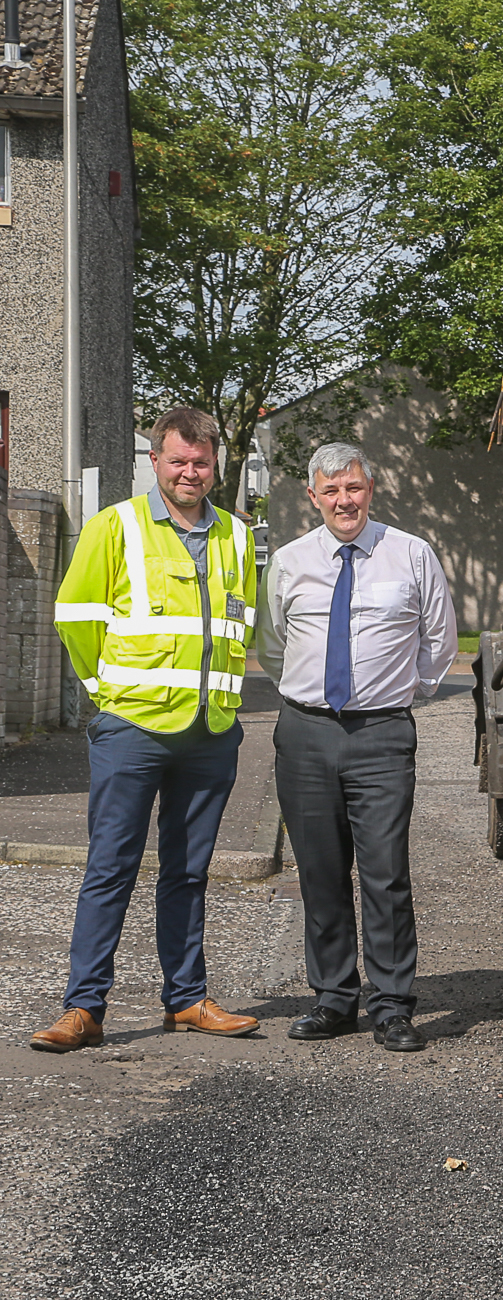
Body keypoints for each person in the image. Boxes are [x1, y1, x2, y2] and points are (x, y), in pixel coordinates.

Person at [31, 408, 260, 1052]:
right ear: (155, 462)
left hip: (210, 733)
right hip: (132, 728)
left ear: (215, 463)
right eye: (178, 460)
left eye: (202, 461)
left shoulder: (238, 540)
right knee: (110, 868)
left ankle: (186, 1000)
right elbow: (76, 616)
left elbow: (244, 627)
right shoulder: (117, 526)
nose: (190, 472)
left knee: (188, 871)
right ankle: (84, 1009)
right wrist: (106, 693)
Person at [257, 442, 456, 1052]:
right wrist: (310, 698)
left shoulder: (412, 554)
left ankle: (392, 1005)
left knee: (385, 873)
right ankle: (334, 999)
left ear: (372, 490)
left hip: (381, 735)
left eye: (354, 488)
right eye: (331, 490)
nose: (344, 501)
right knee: (319, 872)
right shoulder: (289, 561)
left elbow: (439, 641)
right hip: (306, 733)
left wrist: (394, 696)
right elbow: (272, 645)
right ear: (312, 497)